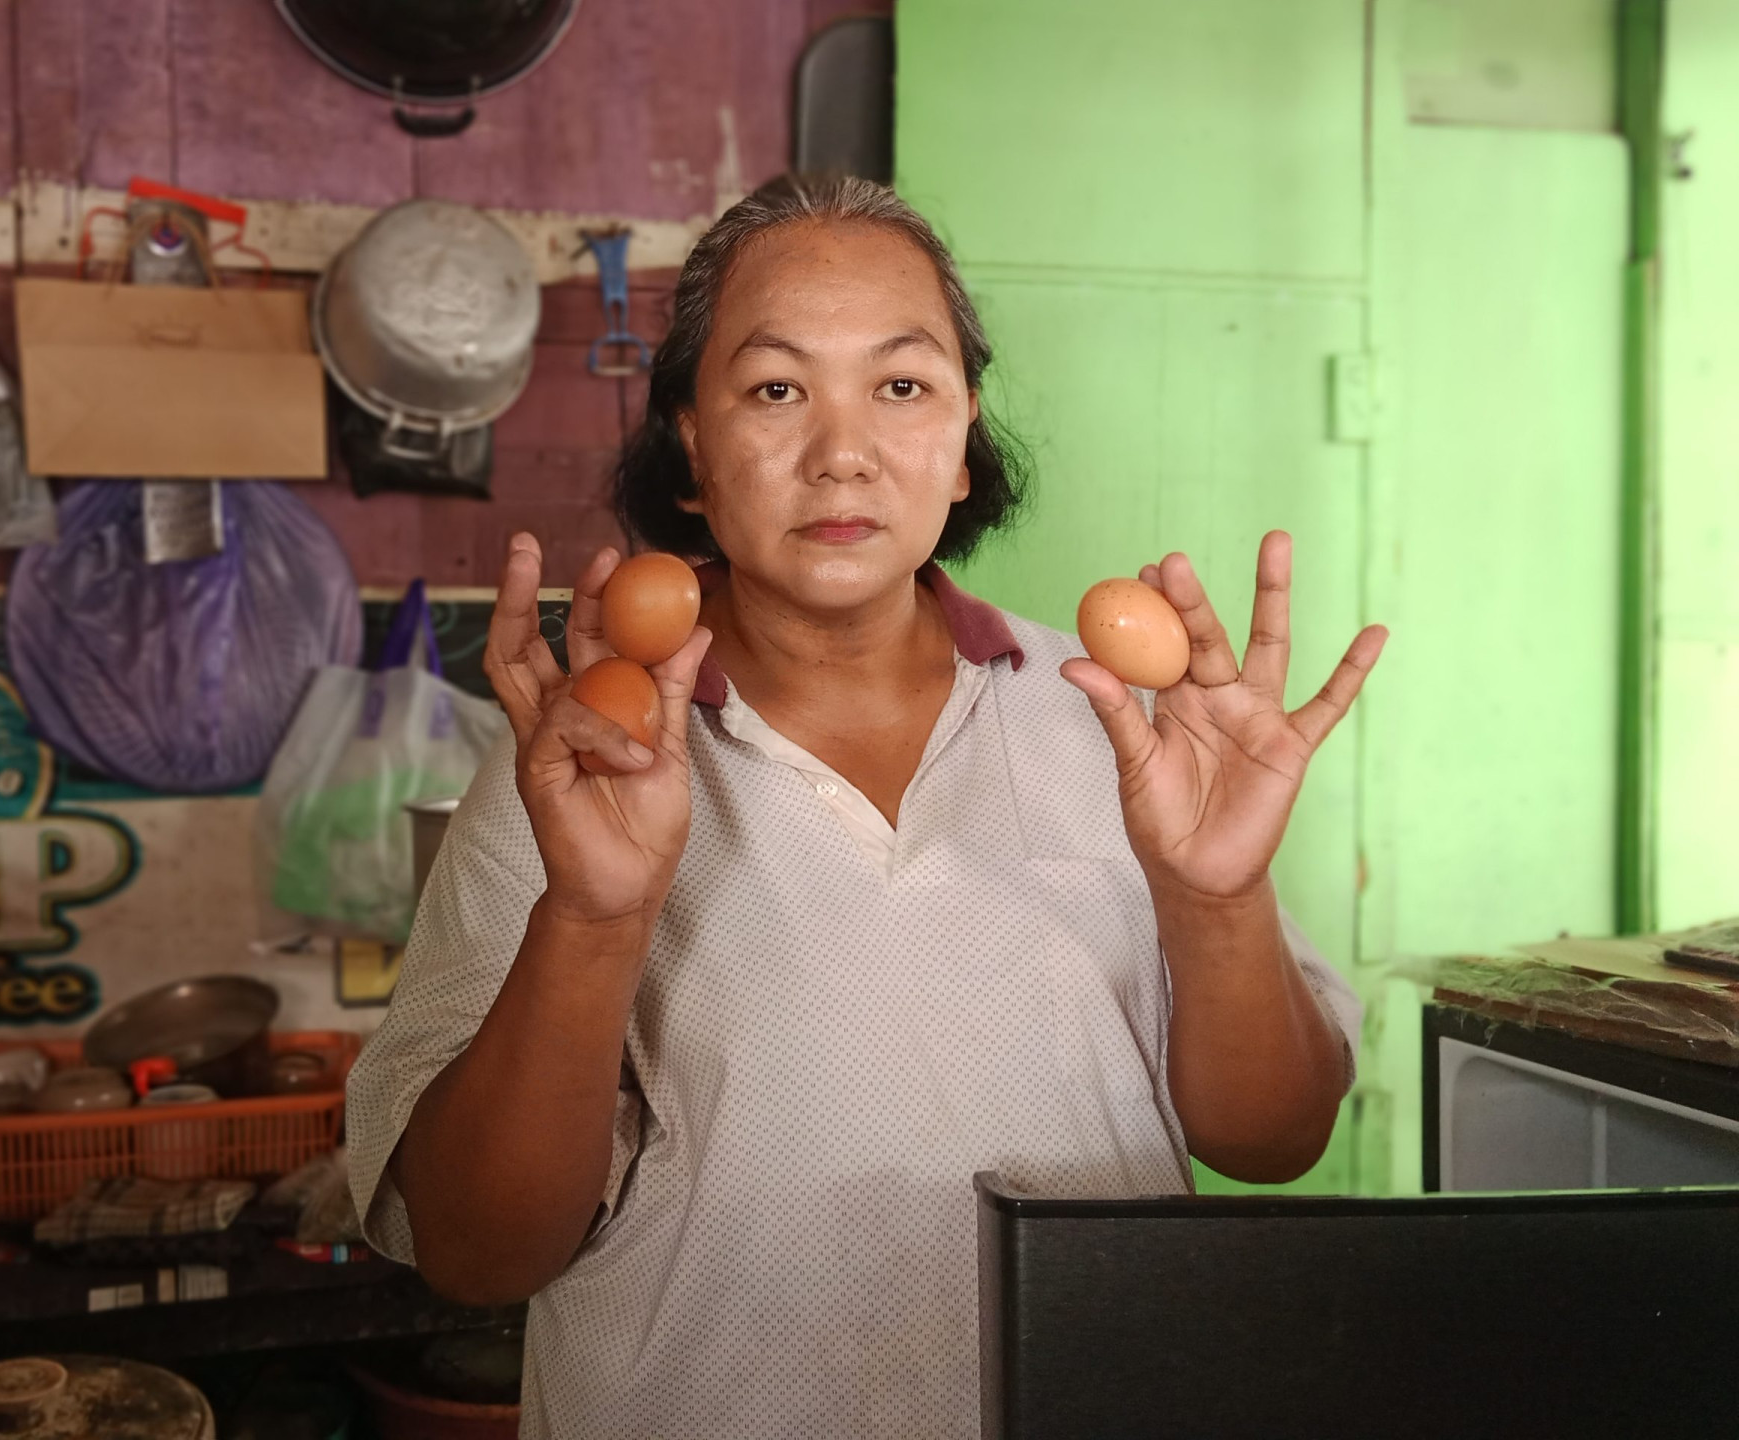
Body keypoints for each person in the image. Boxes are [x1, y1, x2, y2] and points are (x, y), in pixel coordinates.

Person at [346, 174, 1387, 1439]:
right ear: (692, 446)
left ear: (963, 440)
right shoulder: (580, 774)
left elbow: (1273, 1143)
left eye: (901, 385)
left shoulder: (1114, 726)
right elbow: (474, 1254)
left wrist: (1216, 899)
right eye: (776, 389)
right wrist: (593, 918)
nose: (843, 451)